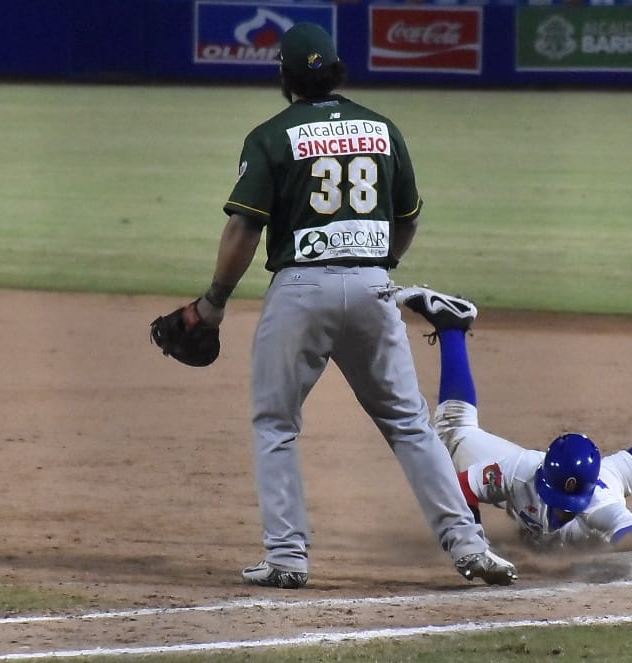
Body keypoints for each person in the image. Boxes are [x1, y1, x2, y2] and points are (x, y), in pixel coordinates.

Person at [178, 23, 517, 588]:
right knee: (411, 426)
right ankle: (470, 546)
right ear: (335, 69)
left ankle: (287, 558)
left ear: (284, 76)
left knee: (276, 424)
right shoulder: (382, 129)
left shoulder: (272, 135)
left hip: (299, 293)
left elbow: (244, 229)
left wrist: (213, 302)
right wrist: (377, 266)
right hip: (372, 287)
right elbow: (406, 220)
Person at [393, 286, 632, 553]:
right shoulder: (520, 471)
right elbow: (465, 486)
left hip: (603, 479)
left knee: (627, 477)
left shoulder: (601, 505)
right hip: (576, 473)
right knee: (452, 434)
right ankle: (453, 325)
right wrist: (474, 538)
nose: (560, 507)